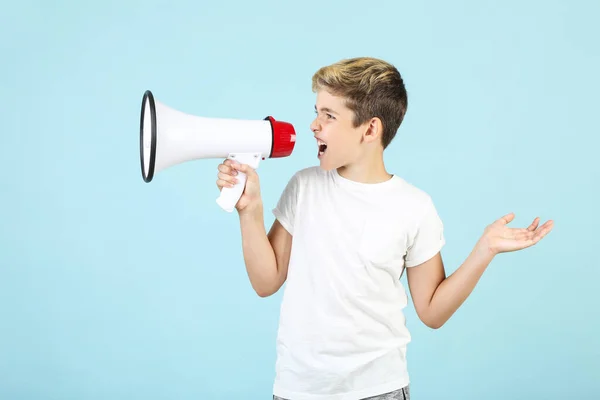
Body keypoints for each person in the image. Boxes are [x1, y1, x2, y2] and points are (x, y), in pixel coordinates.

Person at [215, 57, 554, 400]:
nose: (314, 125)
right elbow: (265, 281)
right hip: (297, 390)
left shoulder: (414, 207)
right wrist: (250, 210)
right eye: (317, 111)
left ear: (370, 129)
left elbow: (433, 311)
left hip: (379, 389)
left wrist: (485, 250)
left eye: (329, 116)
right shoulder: (304, 187)